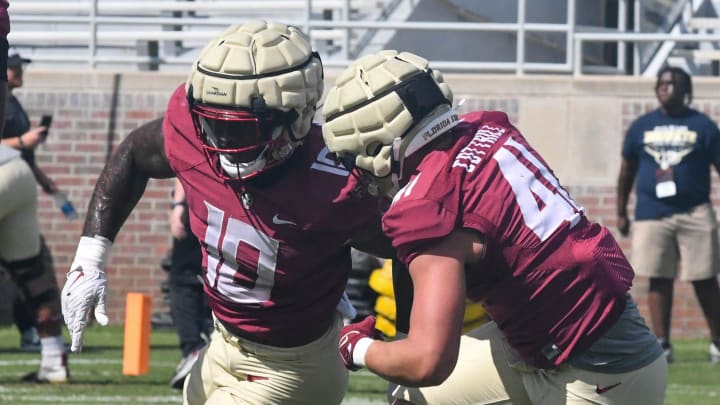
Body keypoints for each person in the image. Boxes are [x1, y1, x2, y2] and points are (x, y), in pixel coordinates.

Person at [60, 20, 387, 404]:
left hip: (293, 366)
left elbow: (420, 246)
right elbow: (136, 153)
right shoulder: (192, 134)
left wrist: (419, 344)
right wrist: (90, 257)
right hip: (219, 346)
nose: (224, 143)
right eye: (213, 125)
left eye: (242, 130)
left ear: (296, 116)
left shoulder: (334, 180)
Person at [323, 50, 667, 404]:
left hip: (602, 375)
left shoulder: (424, 205)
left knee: (413, 376)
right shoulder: (487, 126)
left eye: (354, 157)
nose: (356, 170)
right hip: (562, 340)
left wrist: (358, 347)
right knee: (408, 398)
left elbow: (427, 361)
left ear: (381, 144)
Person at [617, 66, 720, 364]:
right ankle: (662, 344)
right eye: (661, 83)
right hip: (652, 213)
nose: (665, 88)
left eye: (672, 83)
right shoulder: (640, 126)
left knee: (704, 278)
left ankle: (717, 342)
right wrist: (621, 211)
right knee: (658, 278)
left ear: (685, 89)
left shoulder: (703, 125)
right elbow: (626, 172)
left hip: (695, 212)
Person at [0, 5, 69, 384]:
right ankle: (53, 361)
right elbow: (16, 151)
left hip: (8, 171)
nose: (20, 72)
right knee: (32, 275)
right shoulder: (10, 101)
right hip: (17, 175)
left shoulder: (15, 104)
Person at [167, 178, 212, 389]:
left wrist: (178, 205)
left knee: (182, 280)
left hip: (204, 202)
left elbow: (185, 162)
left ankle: (195, 348)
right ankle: (209, 338)